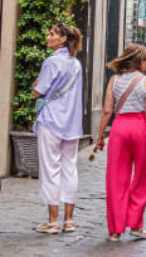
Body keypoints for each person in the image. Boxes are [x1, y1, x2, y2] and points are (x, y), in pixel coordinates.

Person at [97, 44, 146, 242]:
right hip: (141, 129)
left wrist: (101, 136)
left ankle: (115, 230)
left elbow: (107, 111)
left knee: (116, 178)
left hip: (119, 129)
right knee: (141, 178)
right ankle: (135, 225)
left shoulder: (114, 80)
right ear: (142, 61)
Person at [33, 23, 84, 234]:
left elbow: (38, 91)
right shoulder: (76, 64)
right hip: (71, 123)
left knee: (50, 168)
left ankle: (53, 221)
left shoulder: (51, 62)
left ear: (63, 39)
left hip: (52, 120)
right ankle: (69, 220)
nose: (48, 36)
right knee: (69, 168)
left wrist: (36, 87)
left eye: (52, 34)